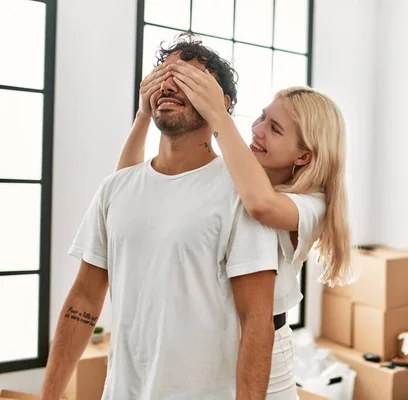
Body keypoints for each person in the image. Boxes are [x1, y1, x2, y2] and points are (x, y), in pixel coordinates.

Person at [41, 35, 281, 399]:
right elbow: (84, 300)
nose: (169, 84)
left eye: (188, 78)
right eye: (163, 75)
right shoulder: (116, 188)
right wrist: (49, 395)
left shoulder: (241, 194)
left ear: (222, 103)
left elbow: (257, 321)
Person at [116, 34, 353, 398]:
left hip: (266, 353)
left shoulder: (311, 203)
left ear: (304, 155)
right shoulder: (237, 177)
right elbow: (127, 191)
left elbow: (260, 205)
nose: (256, 130)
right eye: (261, 117)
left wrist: (217, 114)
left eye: (274, 129)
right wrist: (143, 116)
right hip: (215, 345)